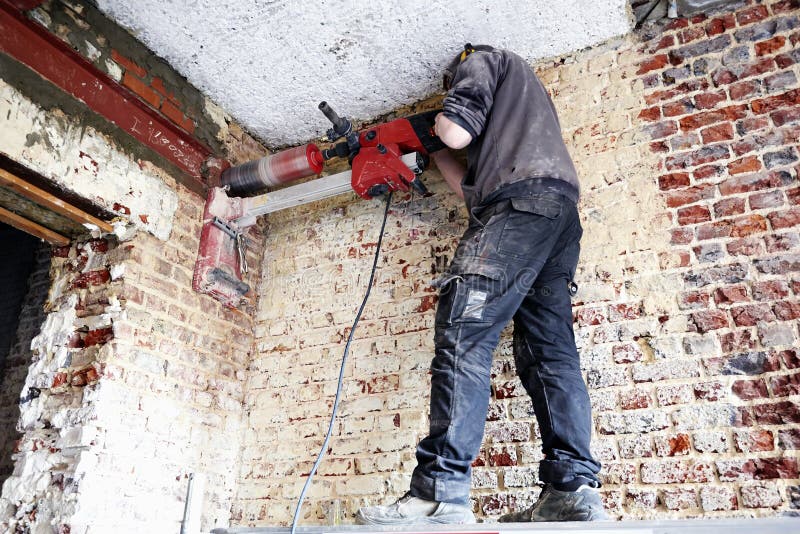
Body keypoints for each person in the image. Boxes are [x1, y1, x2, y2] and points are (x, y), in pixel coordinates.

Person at [356, 44, 607, 525]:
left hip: (517, 207)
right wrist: (426, 151)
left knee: (463, 336)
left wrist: (436, 125)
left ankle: (439, 492)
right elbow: (468, 188)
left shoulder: (485, 59)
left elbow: (453, 129)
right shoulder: (519, 127)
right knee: (547, 350)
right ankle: (571, 490)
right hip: (556, 217)